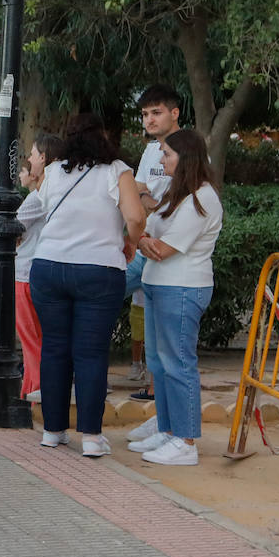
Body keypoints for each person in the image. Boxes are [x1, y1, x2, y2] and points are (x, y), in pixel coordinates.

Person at [31, 113, 146, 457]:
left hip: (48, 267)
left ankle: (52, 431)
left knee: (53, 349)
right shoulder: (117, 170)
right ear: (104, 138)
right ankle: (92, 438)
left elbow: (39, 209)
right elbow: (137, 217)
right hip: (98, 270)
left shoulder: (53, 171)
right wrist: (131, 242)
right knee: (91, 352)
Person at [128, 129, 223, 465]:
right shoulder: (176, 194)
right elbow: (148, 232)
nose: (161, 159)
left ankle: (186, 441)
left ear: (186, 158)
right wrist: (143, 238)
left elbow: (161, 248)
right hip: (159, 286)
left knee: (178, 364)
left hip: (181, 288)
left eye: (167, 154)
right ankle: (168, 430)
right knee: (160, 364)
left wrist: (140, 239)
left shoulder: (203, 198)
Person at [125, 84, 183, 391]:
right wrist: (149, 198)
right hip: (143, 243)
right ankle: (153, 394)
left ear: (174, 113)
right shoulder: (150, 150)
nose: (149, 120)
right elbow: (137, 190)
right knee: (151, 324)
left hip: (167, 250)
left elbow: (180, 201)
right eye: (145, 114)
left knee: (101, 290)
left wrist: (148, 197)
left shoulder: (189, 148)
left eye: (156, 113)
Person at [15, 134, 63, 400]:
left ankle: (35, 390)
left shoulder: (37, 197)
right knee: (39, 337)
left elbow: (12, 228)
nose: (30, 159)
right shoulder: (52, 193)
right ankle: (34, 388)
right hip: (40, 271)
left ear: (43, 159)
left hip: (24, 273)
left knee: (31, 339)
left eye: (33, 154)